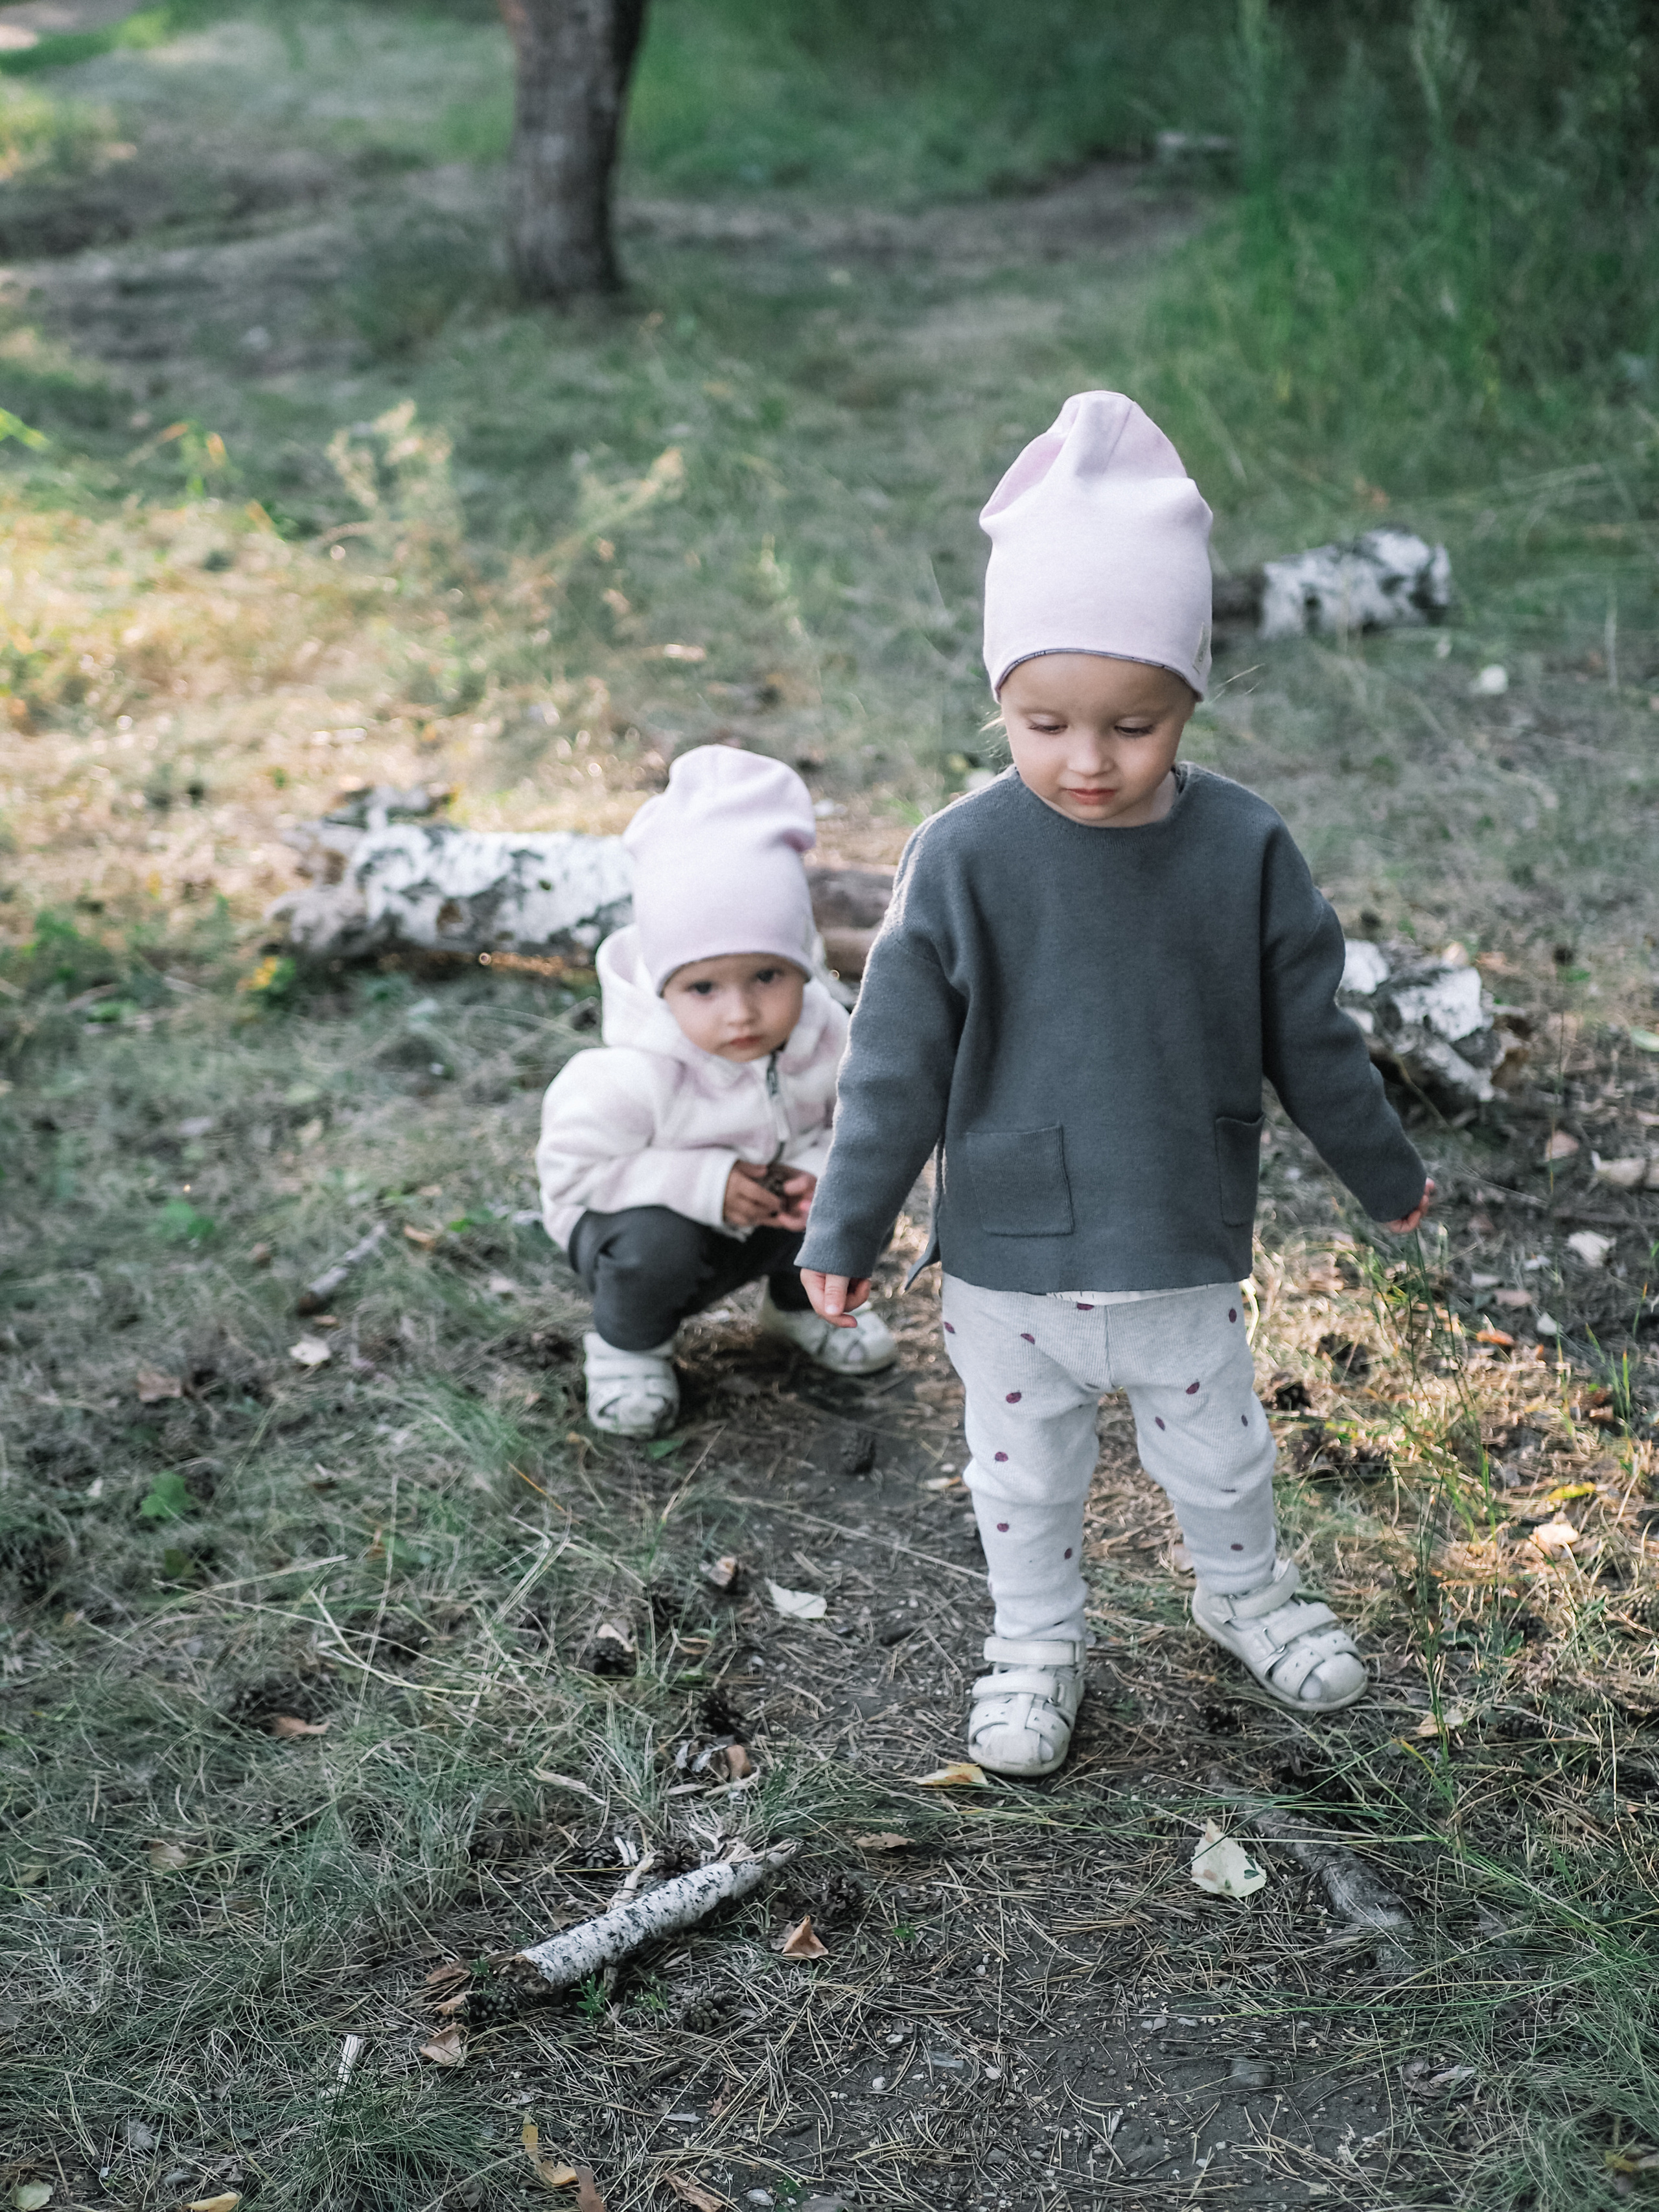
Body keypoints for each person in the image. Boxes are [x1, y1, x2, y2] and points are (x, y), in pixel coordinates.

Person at [795, 391, 1433, 1778]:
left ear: (1189, 695)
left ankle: (1241, 1588)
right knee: (1023, 1478)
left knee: (1216, 1448)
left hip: (1174, 1235)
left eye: (1131, 723)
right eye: (1043, 720)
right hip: (1012, 1261)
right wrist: (843, 1230)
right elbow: (891, 1066)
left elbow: (1308, 1032)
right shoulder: (961, 859)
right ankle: (1033, 1638)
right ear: (998, 700)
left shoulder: (1241, 847)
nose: (1086, 759)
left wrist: (1383, 1168)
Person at [537, 743, 896, 1436]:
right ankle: (628, 1346)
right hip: (643, 1224)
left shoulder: (828, 1035)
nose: (740, 1013)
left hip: (772, 1218)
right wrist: (706, 1181)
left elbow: (862, 1126)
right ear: (664, 985)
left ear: (804, 964)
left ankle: (798, 1305)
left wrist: (819, 1174)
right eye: (703, 986)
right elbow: (570, 1172)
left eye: (767, 976)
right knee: (653, 1245)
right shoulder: (628, 1074)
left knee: (858, 1188)